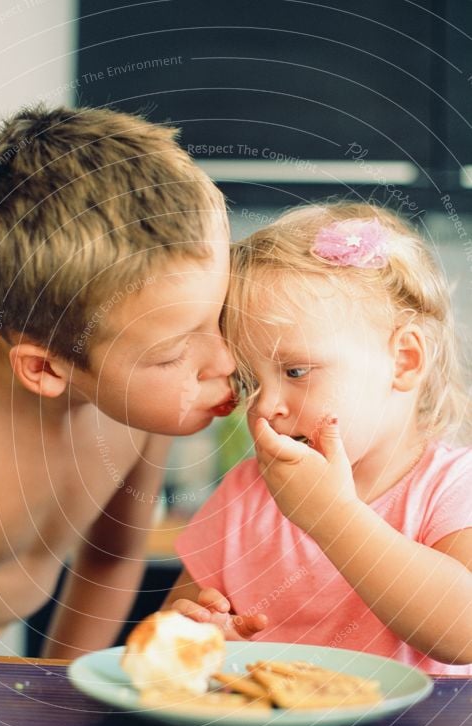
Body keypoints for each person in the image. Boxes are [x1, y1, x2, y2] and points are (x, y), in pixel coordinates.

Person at [0, 105, 236, 658]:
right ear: (44, 368)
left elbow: (112, 557)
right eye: (174, 353)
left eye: (221, 316)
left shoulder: (139, 408)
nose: (225, 360)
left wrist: (60, 688)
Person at [167, 201, 472, 674]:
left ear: (405, 361)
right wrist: (196, 639)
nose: (265, 406)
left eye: (296, 370)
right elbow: (170, 640)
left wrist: (333, 519)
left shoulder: (452, 489)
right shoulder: (246, 495)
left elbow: (465, 633)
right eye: (251, 381)